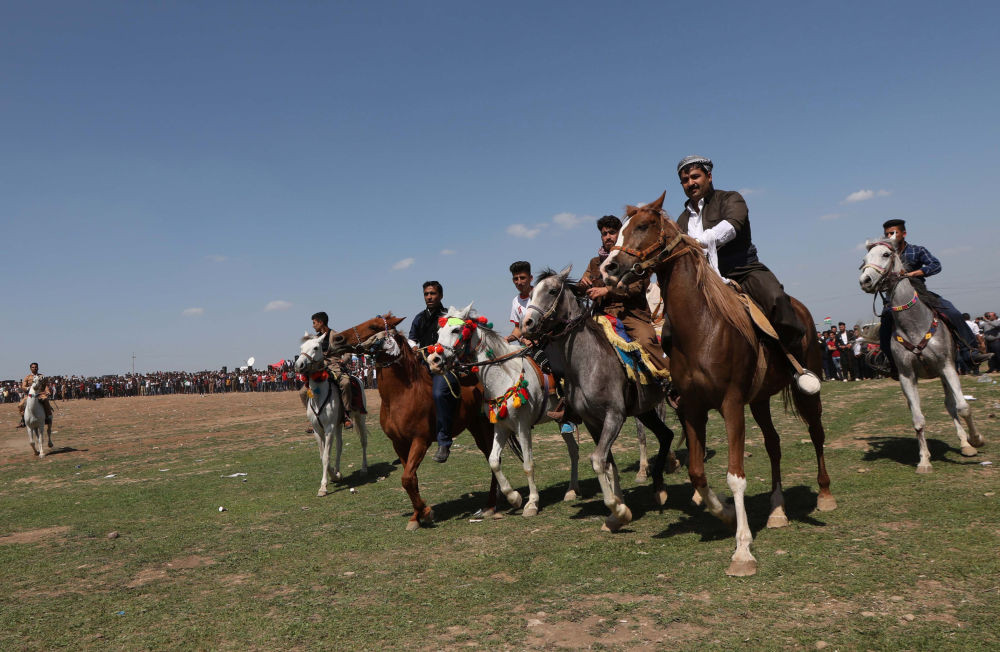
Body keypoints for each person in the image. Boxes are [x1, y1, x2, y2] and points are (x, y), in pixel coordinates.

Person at [674, 155, 819, 393]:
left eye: (695, 176)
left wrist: (699, 241)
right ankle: (679, 379)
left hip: (743, 270)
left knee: (777, 300)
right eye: (684, 180)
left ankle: (795, 363)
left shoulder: (731, 198)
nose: (690, 183)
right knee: (672, 323)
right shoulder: (681, 219)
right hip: (704, 281)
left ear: (709, 176)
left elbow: (732, 226)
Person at [877, 219, 992, 378]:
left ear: (904, 234)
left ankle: (970, 353)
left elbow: (935, 265)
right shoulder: (884, 254)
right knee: (884, 327)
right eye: (887, 234)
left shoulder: (917, 250)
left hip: (920, 293)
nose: (890, 236)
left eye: (893, 233)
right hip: (894, 298)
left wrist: (914, 273)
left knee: (952, 312)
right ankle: (890, 363)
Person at [579, 215, 668, 374]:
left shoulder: (633, 257)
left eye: (612, 232)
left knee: (646, 342)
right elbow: (583, 287)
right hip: (601, 315)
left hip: (631, 314)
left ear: (620, 234)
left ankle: (671, 382)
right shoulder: (594, 262)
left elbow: (636, 287)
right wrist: (582, 283)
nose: (608, 237)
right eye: (604, 234)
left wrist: (607, 290)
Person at [408, 281, 458, 463]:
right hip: (422, 364)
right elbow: (412, 339)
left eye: (433, 293)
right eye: (426, 294)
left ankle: (444, 442)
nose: (429, 297)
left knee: (438, 393)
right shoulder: (419, 318)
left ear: (441, 296)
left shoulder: (448, 317)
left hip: (443, 367)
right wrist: (413, 347)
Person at [299, 312, 353, 430]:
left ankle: (346, 415)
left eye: (314, 323)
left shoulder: (336, 335)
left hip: (334, 366)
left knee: (345, 383)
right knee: (303, 392)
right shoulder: (315, 338)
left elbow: (348, 350)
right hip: (319, 367)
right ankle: (313, 418)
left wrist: (344, 360)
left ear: (321, 322)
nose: (313, 326)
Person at [17, 362, 53, 433]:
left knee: (45, 400)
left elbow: (45, 385)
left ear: (38, 368)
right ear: (30, 368)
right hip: (30, 395)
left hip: (40, 394)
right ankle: (23, 420)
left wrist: (47, 391)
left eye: (36, 367)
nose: (34, 368)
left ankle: (48, 417)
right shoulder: (27, 377)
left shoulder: (42, 376)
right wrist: (28, 388)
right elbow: (23, 386)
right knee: (20, 405)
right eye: (33, 367)